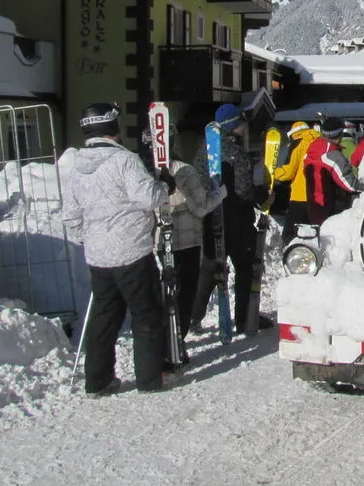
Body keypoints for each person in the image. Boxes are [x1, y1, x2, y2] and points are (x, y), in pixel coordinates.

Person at [62, 102, 174, 396]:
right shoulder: (125, 160)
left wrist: (89, 239)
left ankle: (97, 381)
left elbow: (70, 216)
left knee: (104, 316)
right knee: (146, 314)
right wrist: (164, 187)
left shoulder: (76, 167)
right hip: (132, 252)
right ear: (113, 128)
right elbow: (148, 197)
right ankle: (150, 380)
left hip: (99, 257)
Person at [141, 125, 224, 360]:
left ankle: (163, 341)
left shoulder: (141, 172)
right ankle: (177, 340)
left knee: (166, 292)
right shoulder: (184, 170)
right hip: (186, 241)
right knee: (184, 294)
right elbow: (199, 208)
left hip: (158, 241)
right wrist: (220, 193)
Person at [194, 103, 271, 334]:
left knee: (209, 268)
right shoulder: (235, 151)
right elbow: (244, 189)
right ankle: (244, 318)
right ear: (234, 125)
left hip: (211, 217)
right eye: (242, 123)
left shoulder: (204, 149)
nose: (245, 127)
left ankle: (192, 316)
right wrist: (263, 196)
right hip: (236, 219)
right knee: (245, 267)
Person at [303, 116, 361, 225]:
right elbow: (350, 185)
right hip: (327, 208)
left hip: (314, 205)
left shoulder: (314, 146)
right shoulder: (331, 154)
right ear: (339, 134)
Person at [272, 121, 320, 244]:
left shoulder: (298, 143)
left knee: (290, 235)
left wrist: (273, 172)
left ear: (294, 134)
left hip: (300, 195)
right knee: (312, 233)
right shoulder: (319, 141)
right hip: (319, 196)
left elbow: (289, 172)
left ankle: (292, 259)